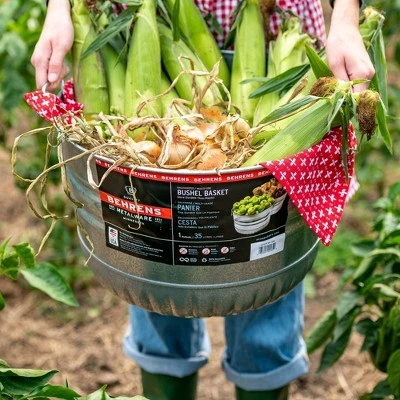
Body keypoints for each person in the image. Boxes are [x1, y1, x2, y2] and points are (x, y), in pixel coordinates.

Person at [31, 1, 374, 399]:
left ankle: (262, 367)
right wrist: (60, 8)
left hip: (276, 27)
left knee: (267, 285)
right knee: (153, 274)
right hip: (148, 21)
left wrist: (346, 19)